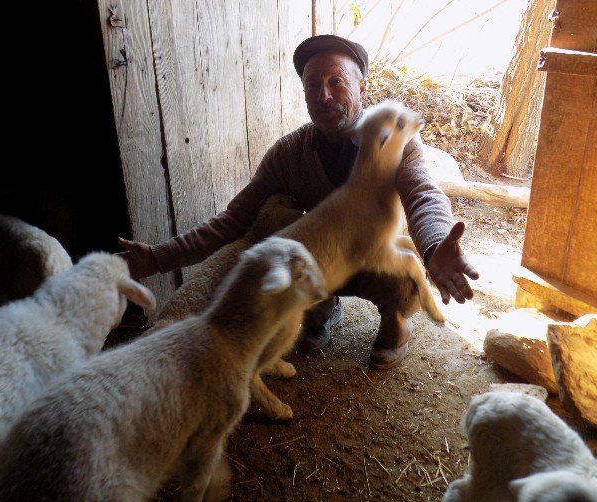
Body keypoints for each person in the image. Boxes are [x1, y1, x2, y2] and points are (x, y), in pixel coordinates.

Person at [118, 34, 479, 370]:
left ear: (362, 87)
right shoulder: (289, 153)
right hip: (322, 260)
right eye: (312, 86)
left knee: (403, 277)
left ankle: (397, 326)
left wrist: (434, 245)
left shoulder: (392, 140)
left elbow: (423, 194)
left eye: (336, 81)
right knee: (276, 222)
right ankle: (321, 310)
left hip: (376, 257)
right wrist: (156, 258)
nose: (323, 95)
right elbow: (234, 221)